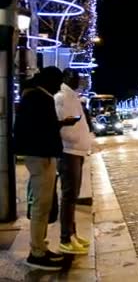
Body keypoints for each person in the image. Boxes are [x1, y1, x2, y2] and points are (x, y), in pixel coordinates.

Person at [14, 66, 79, 271]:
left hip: (43, 155)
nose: (59, 86)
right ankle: (37, 253)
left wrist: (58, 123)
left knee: (43, 205)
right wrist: (57, 126)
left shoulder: (36, 96)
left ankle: (41, 247)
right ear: (49, 81)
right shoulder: (38, 98)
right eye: (57, 81)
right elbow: (36, 129)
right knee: (41, 207)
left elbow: (39, 126)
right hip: (41, 157)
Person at [54, 69, 92, 255]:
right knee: (69, 196)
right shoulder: (62, 97)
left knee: (72, 196)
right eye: (75, 77)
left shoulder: (72, 97)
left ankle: (72, 234)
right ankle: (65, 239)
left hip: (76, 150)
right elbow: (63, 126)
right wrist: (76, 138)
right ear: (67, 79)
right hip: (69, 151)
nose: (78, 80)